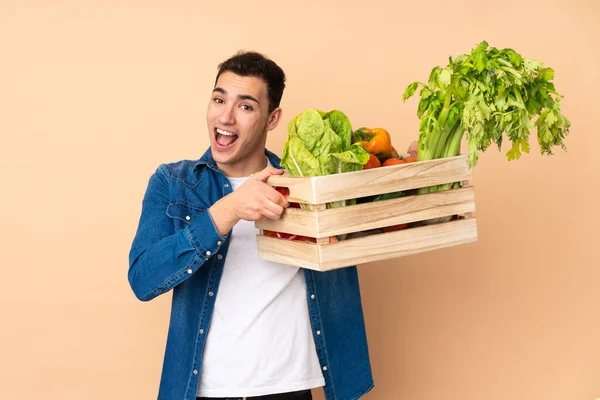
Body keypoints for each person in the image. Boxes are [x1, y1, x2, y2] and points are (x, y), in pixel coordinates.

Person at [128, 51, 375, 400]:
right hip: (204, 390)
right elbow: (143, 280)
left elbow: (379, 221)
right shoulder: (173, 182)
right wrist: (226, 212)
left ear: (272, 119)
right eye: (218, 99)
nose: (225, 116)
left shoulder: (309, 183)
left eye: (245, 107)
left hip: (289, 388)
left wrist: (411, 168)